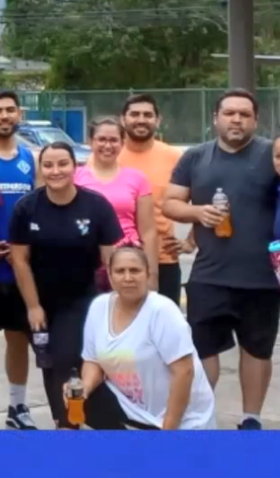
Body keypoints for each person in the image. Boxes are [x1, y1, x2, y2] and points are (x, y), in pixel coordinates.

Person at [164, 89, 279, 430]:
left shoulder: (270, 154)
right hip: (209, 275)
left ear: (255, 120)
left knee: (257, 351)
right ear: (216, 118)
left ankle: (251, 419)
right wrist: (198, 212)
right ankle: (204, 417)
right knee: (203, 350)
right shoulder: (196, 157)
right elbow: (170, 203)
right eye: (229, 113)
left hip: (261, 276)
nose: (237, 120)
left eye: (245, 114)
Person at [8, 143, 122, 429]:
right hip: (39, 301)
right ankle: (66, 419)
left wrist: (118, 303)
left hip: (82, 300)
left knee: (67, 360)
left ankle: (73, 422)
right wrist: (33, 306)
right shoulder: (27, 207)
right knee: (51, 364)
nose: (55, 171)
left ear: (75, 167)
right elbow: (19, 260)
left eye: (62, 164)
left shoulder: (96, 206)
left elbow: (111, 259)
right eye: (48, 165)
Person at [75, 246, 216, 430]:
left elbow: (184, 372)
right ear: (110, 276)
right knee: (84, 399)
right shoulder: (99, 307)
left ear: (148, 275)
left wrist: (169, 430)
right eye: (120, 271)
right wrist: (83, 389)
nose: (127, 278)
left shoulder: (162, 311)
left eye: (135, 271)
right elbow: (93, 360)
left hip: (181, 419)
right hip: (134, 409)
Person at [0, 90, 39, 430]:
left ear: (19, 115)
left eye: (10, 110)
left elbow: (38, 210)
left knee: (18, 338)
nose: (4, 116)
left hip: (20, 269)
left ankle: (17, 407)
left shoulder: (30, 157)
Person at [117, 93, 191, 303]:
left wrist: (191, 241)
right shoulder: (109, 154)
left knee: (164, 331)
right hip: (115, 260)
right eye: (135, 114)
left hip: (163, 259)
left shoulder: (175, 157)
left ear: (158, 121)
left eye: (148, 115)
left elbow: (205, 196)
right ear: (123, 119)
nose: (141, 119)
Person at [75, 117, 159, 291]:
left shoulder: (137, 179)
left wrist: (152, 276)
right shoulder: (74, 177)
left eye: (113, 140)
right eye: (102, 139)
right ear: (91, 142)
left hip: (126, 265)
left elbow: (148, 231)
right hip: (85, 265)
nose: (108, 145)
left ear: (122, 142)